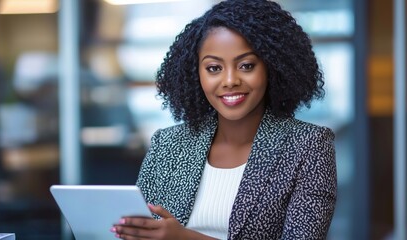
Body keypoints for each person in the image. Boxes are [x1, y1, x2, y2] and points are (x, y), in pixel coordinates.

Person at [111, 0, 337, 239]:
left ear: (272, 67)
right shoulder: (167, 144)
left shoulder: (308, 146)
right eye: (214, 68)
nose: (229, 80)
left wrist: (184, 237)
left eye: (246, 65)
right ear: (195, 73)